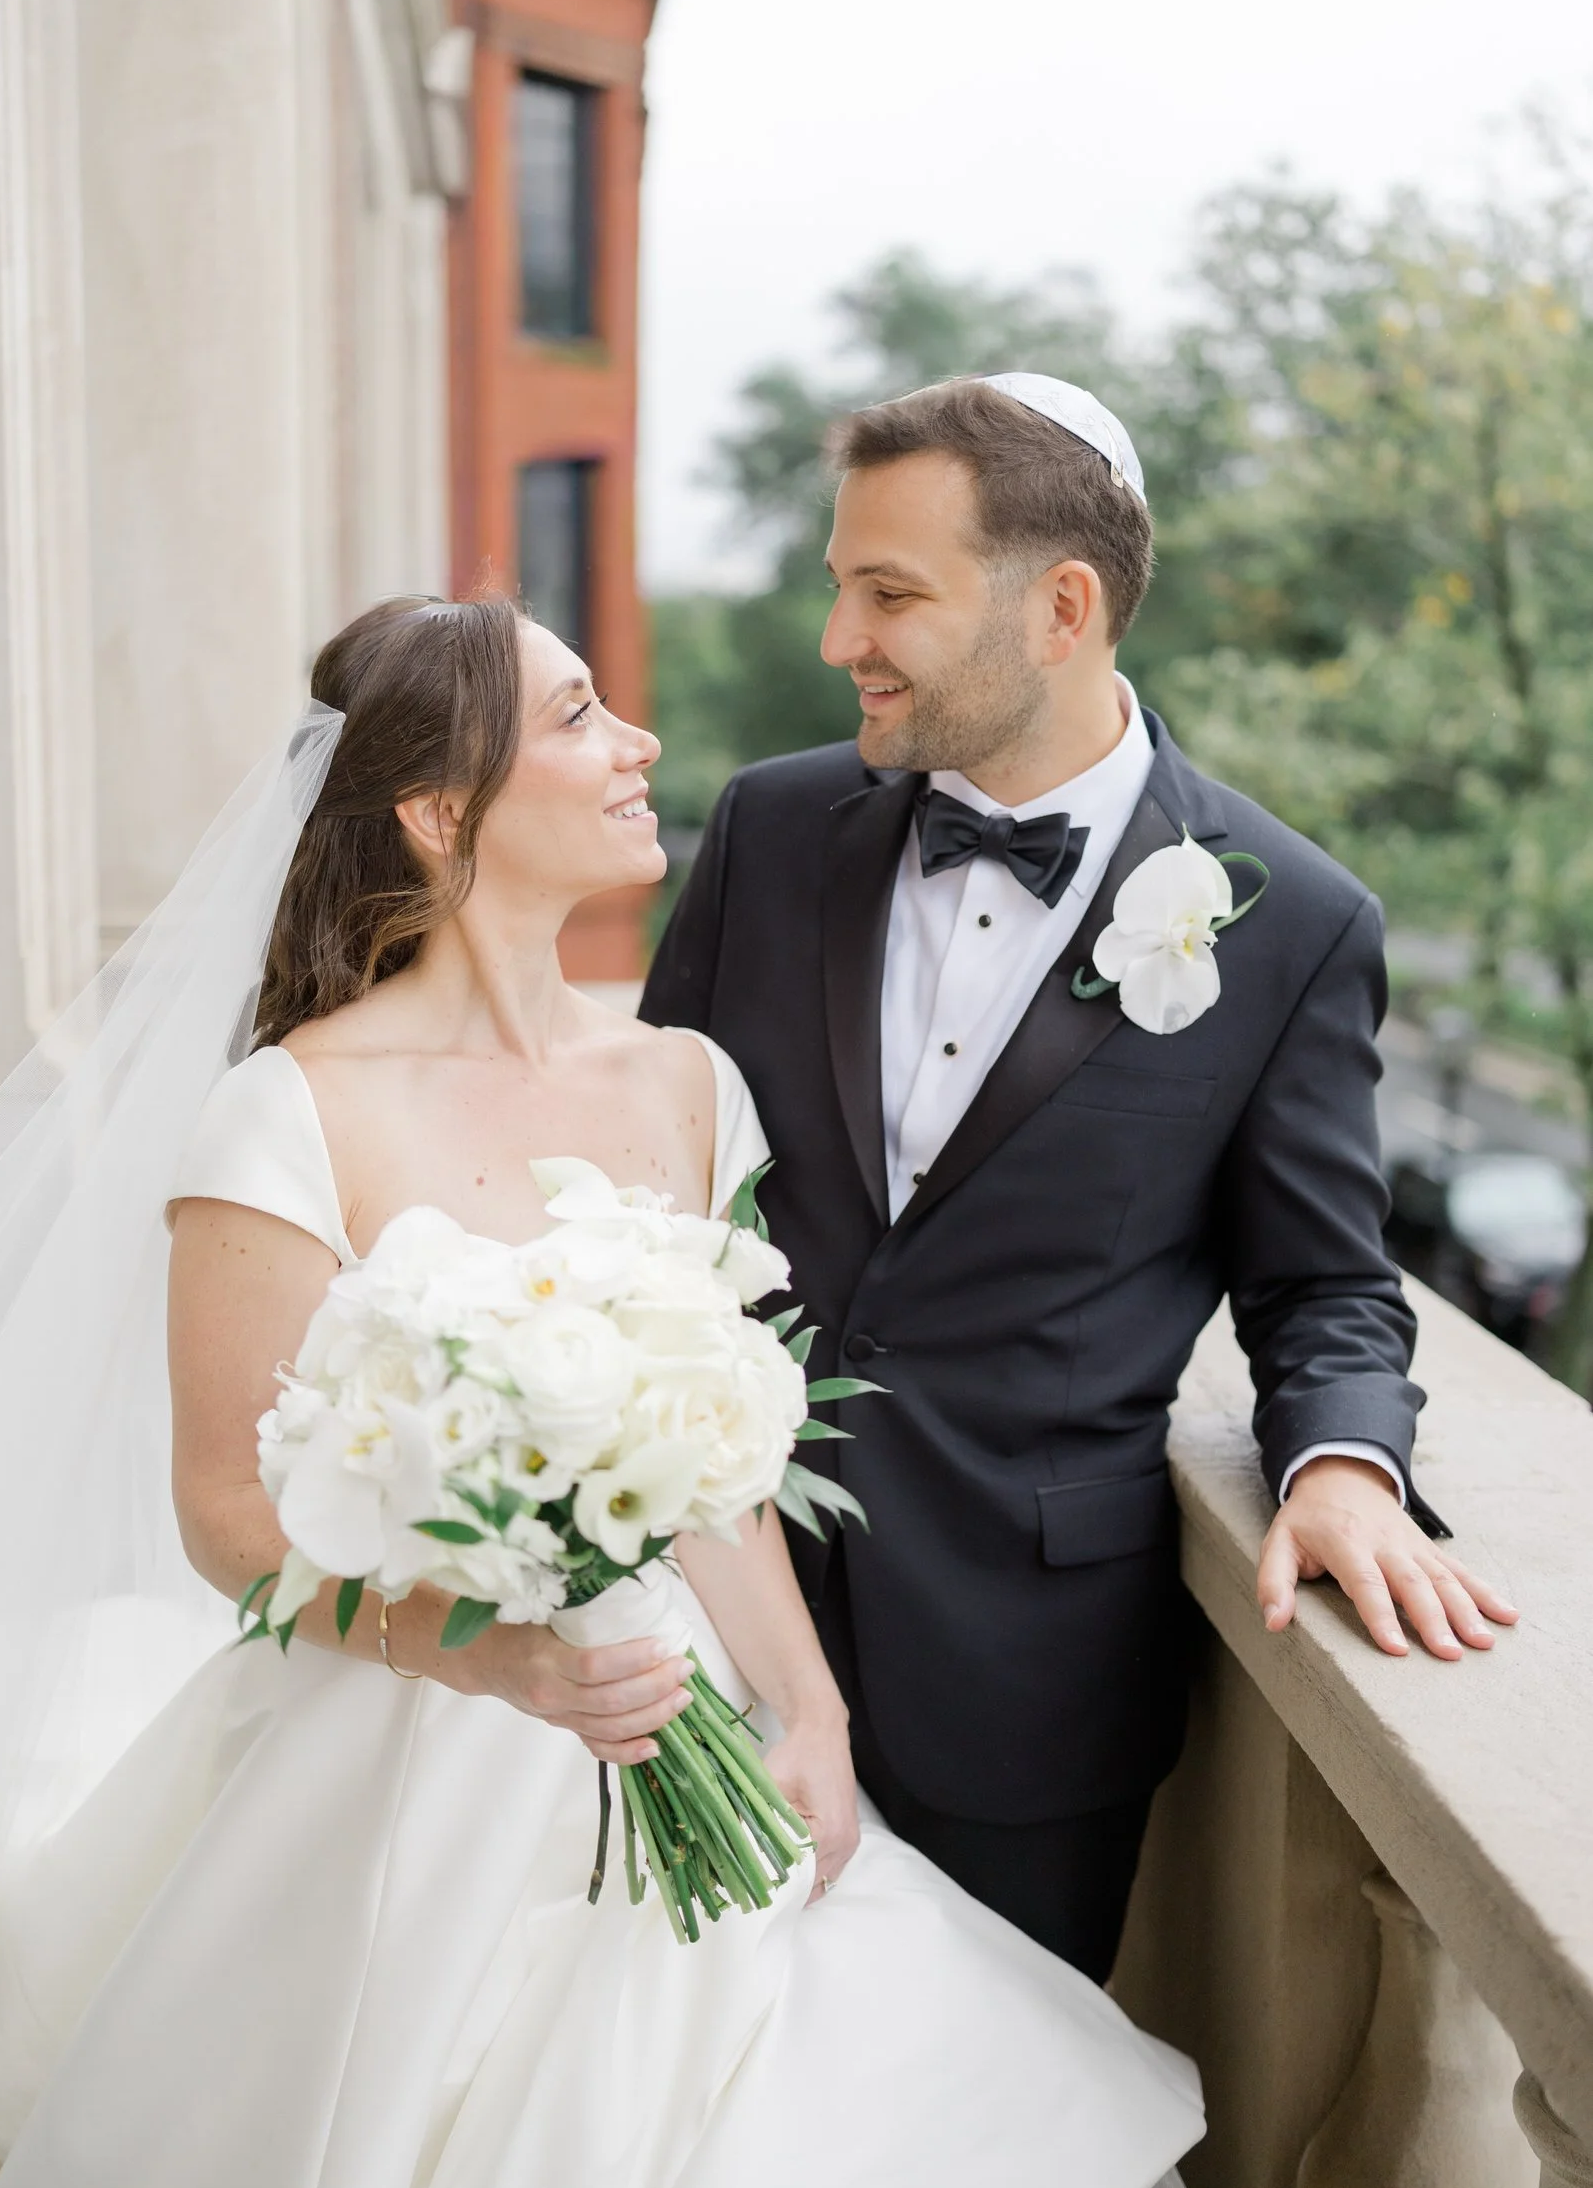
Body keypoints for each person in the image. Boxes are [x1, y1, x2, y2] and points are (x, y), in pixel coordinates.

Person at [0, 593, 1205, 2188]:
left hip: (685, 1708)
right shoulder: (287, 1109)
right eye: (583, 716)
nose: (642, 744)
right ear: (441, 812)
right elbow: (231, 1515)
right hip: (405, 1752)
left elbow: (715, 1463)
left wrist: (809, 1721)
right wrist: (489, 1661)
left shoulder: (684, 1083)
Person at [641, 373, 1518, 1984]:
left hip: (1022, 1693)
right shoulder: (768, 831)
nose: (842, 637)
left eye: (888, 592)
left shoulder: (1291, 921)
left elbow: (1322, 1283)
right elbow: (641, 1180)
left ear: (1060, 608)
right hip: (698, 1619)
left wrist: (1338, 1468)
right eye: (841, 584)